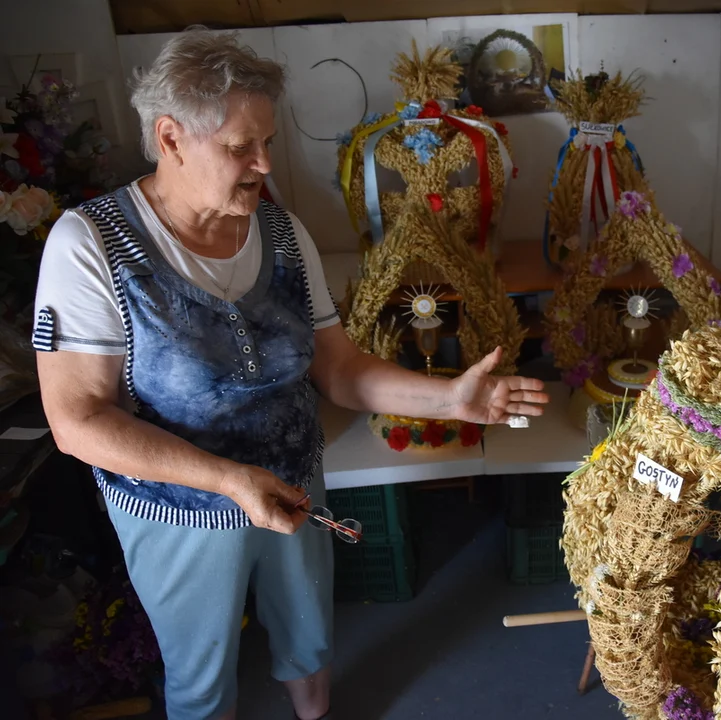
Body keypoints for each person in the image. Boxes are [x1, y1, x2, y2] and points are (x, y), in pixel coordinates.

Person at [32, 28, 548, 720]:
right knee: (201, 671)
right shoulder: (91, 243)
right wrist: (226, 479)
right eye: (240, 147)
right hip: (177, 508)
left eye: (267, 142)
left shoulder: (280, 234)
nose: (263, 164)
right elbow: (77, 422)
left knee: (308, 638)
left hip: (293, 477)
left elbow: (338, 370)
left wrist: (450, 398)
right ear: (170, 137)